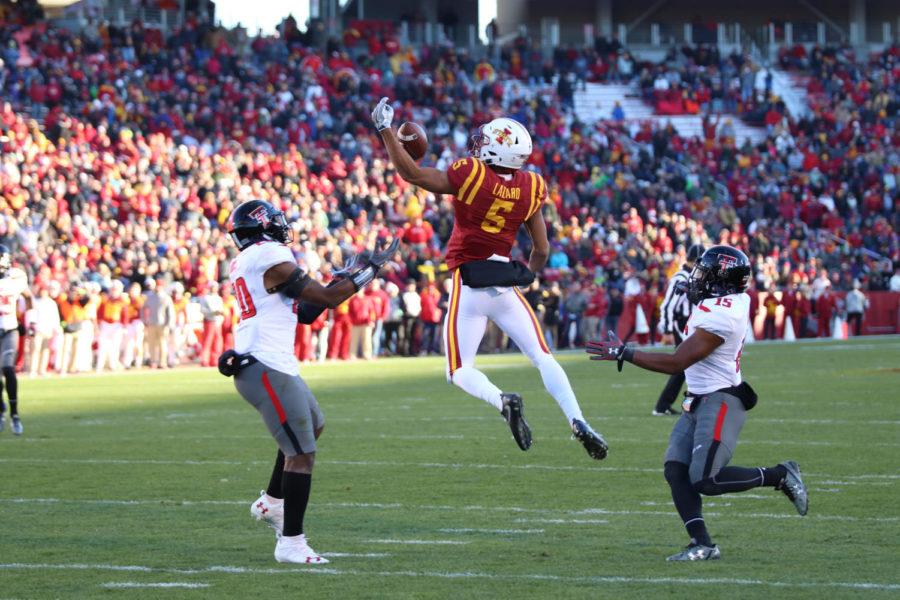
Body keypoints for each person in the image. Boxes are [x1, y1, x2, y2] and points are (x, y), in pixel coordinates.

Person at [371, 97, 607, 459]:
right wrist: (527, 274)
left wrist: (385, 131)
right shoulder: (530, 186)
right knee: (543, 357)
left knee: (459, 369)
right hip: (505, 281)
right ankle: (577, 420)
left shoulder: (471, 172)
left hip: (469, 283)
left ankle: (502, 400)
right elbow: (541, 250)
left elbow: (413, 174)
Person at [586, 246, 808, 560]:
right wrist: (694, 292)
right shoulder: (732, 300)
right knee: (676, 470)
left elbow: (677, 362)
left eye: (704, 273)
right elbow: (712, 301)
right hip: (698, 399)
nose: (696, 278)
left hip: (720, 400)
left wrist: (626, 353)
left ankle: (780, 475)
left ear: (721, 280)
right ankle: (703, 543)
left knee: (706, 479)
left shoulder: (723, 315)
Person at [220, 199, 397, 564]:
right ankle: (291, 543)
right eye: (276, 220)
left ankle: (271, 501)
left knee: (311, 427)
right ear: (263, 226)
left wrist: (342, 279)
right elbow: (330, 300)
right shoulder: (268, 255)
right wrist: (368, 272)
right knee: (301, 454)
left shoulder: (256, 260)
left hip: (272, 361)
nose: (283, 225)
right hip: (264, 364)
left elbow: (306, 312)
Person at [654, 244, 704, 416]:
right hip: (681, 326)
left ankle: (666, 406)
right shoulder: (681, 277)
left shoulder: (694, 276)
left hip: (692, 325)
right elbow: (668, 306)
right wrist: (667, 329)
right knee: (685, 365)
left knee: (686, 367)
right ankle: (667, 406)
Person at [0, 245, 30, 435]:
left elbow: (28, 297)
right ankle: (1, 410)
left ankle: (15, 415)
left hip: (10, 329)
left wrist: (30, 320)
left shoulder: (16, 277)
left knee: (8, 369)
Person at [95, 280, 127, 373]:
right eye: (113, 289)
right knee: (103, 345)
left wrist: (124, 326)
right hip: (105, 324)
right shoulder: (105, 300)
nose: (114, 291)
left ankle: (113, 365)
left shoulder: (122, 301)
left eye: (116, 289)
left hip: (117, 325)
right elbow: (100, 312)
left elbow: (125, 315)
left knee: (115, 346)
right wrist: (99, 324)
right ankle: (99, 365)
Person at [142, 279, 175, 368]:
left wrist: (168, 324)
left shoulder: (166, 297)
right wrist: (144, 320)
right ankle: (153, 362)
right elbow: (143, 308)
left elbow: (170, 312)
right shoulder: (150, 297)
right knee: (151, 344)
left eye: (159, 286)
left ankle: (162, 362)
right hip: (151, 323)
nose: (158, 287)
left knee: (162, 343)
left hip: (162, 324)